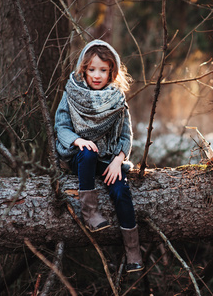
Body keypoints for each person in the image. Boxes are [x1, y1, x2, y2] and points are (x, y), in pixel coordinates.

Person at [54, 39, 144, 273]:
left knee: (121, 190)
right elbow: (61, 126)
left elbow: (126, 134)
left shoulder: (117, 99)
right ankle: (90, 212)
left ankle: (133, 253)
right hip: (80, 156)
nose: (97, 75)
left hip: (107, 160)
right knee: (88, 151)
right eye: (92, 69)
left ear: (111, 72)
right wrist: (79, 140)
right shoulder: (72, 92)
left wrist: (118, 161)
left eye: (103, 70)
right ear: (83, 69)